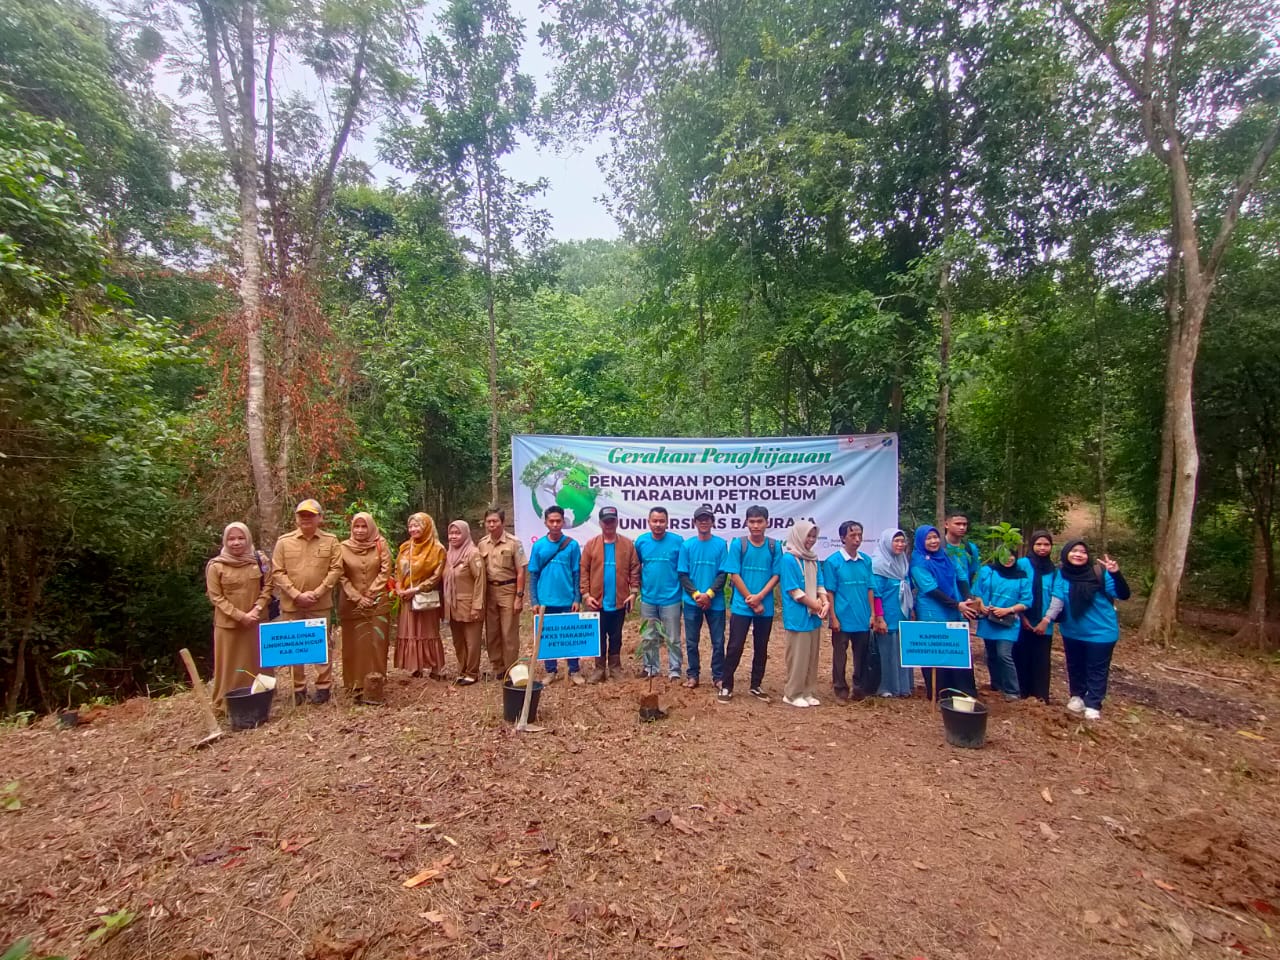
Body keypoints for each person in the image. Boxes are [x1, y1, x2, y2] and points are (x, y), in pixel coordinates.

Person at [1047, 540, 1130, 720]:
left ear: (1088, 556)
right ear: (1066, 553)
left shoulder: (1099, 573)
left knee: (1097, 668)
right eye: (1074, 551)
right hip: (1072, 630)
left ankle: (1093, 703)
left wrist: (1116, 574)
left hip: (1101, 632)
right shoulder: (1062, 574)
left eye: (1082, 552)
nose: (1078, 554)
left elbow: (1123, 594)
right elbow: (1058, 598)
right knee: (1075, 665)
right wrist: (1046, 619)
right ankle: (1077, 696)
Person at [272, 499, 344, 704]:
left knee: (320, 644)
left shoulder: (330, 541)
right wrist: (295, 594)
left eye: (311, 515)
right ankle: (298, 689)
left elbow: (336, 569)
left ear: (320, 518)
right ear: (296, 518)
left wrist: (318, 592)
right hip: (291, 605)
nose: (306, 518)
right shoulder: (284, 542)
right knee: (294, 646)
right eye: (301, 515)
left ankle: (323, 687)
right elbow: (277, 571)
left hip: (319, 604)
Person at [205, 522, 274, 708]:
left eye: (241, 538)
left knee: (258, 663)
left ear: (248, 538)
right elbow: (216, 597)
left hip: (257, 622)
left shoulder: (260, 560)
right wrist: (240, 616)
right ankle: (227, 703)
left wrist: (256, 610)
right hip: (229, 626)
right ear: (225, 541)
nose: (236, 542)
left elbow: (268, 587)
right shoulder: (216, 566)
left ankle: (261, 699)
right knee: (230, 665)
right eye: (232, 538)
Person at [909, 525, 980, 698]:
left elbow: (962, 577)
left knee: (957, 649)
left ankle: (965, 692)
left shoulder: (947, 556)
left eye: (935, 537)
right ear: (920, 541)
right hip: (933, 611)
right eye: (928, 538)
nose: (933, 541)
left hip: (955, 609)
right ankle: (939, 692)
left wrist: (967, 598)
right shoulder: (918, 562)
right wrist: (957, 605)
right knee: (936, 651)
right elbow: (931, 589)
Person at [720, 505, 781, 702]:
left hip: (765, 606)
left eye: (760, 521)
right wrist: (751, 600)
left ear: (767, 523)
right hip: (741, 605)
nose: (756, 525)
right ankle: (726, 685)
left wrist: (760, 597)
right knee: (735, 646)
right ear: (746, 523)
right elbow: (734, 574)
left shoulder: (774, 546)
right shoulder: (739, 544)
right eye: (752, 521)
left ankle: (756, 685)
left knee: (761, 647)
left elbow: (776, 575)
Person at [580, 506, 640, 682]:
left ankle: (615, 667)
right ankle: (599, 669)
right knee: (598, 636)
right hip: (596, 601)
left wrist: (634, 592)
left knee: (616, 636)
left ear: (617, 522)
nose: (609, 524)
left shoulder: (627, 545)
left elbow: (635, 569)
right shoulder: (591, 545)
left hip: (619, 600)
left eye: (612, 521)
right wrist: (586, 595)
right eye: (606, 521)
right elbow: (584, 571)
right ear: (600, 523)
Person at [338, 512, 392, 700]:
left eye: (364, 527)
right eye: (356, 527)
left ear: (371, 528)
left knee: (376, 642)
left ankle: (376, 683)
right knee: (354, 643)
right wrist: (356, 597)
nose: (360, 531)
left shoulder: (380, 544)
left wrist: (371, 593)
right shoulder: (342, 547)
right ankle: (355, 683)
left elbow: (386, 570)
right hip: (351, 603)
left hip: (377, 602)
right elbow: (341, 575)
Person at [528, 505, 583, 683]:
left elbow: (577, 573)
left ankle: (574, 670)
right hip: (545, 600)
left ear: (563, 521)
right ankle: (550, 670)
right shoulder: (539, 546)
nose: (555, 524)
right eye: (551, 521)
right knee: (547, 636)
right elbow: (534, 574)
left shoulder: (572, 545)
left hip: (567, 599)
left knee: (570, 635)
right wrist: (534, 600)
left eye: (558, 521)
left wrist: (577, 598)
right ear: (545, 522)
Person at [824, 521, 877, 701]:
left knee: (861, 654)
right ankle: (840, 688)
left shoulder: (866, 561)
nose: (857, 539)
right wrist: (833, 617)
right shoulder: (833, 562)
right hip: (842, 616)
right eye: (852, 535)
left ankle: (859, 687)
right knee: (840, 655)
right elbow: (829, 591)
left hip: (862, 616)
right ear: (842, 538)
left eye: (859, 535)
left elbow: (870, 588)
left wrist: (873, 614)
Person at [677, 504, 728, 689]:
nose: (704, 522)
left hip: (716, 602)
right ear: (694, 522)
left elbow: (723, 573)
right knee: (691, 641)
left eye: (707, 519)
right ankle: (693, 675)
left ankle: (718, 677)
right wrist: (698, 595)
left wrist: (710, 594)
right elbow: (683, 574)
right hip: (692, 601)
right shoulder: (687, 545)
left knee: (718, 641)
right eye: (700, 519)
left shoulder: (721, 545)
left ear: (713, 522)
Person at [780, 520, 829, 708]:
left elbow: (820, 583)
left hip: (814, 615)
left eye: (813, 536)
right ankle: (792, 693)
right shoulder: (789, 559)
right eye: (807, 535)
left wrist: (825, 602)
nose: (810, 540)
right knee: (798, 655)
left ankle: (808, 691)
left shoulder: (813, 558)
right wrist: (816, 605)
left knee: (811, 654)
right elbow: (794, 591)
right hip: (798, 615)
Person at [971, 550, 1032, 700]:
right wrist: (981, 604)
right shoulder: (987, 571)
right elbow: (976, 592)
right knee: (991, 654)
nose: (1009, 558)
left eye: (1012, 555)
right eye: (1004, 555)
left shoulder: (1022, 576)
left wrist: (1008, 610)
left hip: (1008, 623)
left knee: (1004, 654)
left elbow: (1026, 602)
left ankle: (1012, 691)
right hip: (988, 620)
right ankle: (996, 685)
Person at [394, 512, 447, 680]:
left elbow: (437, 576)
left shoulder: (437, 549)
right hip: (406, 598)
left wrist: (417, 589)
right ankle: (416, 666)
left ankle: (435, 668)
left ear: (426, 527)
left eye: (417, 525)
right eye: (410, 526)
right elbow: (397, 571)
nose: (413, 529)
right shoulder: (405, 547)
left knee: (428, 631)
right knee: (410, 631)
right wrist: (399, 588)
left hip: (426, 597)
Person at [634, 507, 684, 679]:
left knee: (673, 637)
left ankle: (675, 670)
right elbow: (636, 567)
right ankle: (650, 668)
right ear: (648, 522)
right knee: (649, 637)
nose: (658, 524)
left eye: (661, 521)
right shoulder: (641, 542)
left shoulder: (678, 542)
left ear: (667, 522)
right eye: (654, 521)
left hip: (671, 598)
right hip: (648, 598)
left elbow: (683, 569)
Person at [478, 507, 526, 678]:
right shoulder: (482, 543)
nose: (492, 524)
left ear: (502, 523)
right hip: (489, 591)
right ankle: (497, 667)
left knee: (508, 632)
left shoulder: (514, 543)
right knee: (492, 632)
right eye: (489, 521)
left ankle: (511, 668)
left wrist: (519, 597)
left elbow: (521, 571)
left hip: (508, 590)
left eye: (495, 521)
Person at [1014, 530, 1059, 702]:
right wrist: (1023, 618)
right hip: (1021, 620)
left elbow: (1057, 597)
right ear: (1032, 545)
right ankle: (1021, 693)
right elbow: (1016, 590)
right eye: (1038, 544)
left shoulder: (1054, 570)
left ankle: (1040, 696)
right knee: (1021, 656)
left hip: (1044, 623)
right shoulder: (1022, 564)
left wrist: (1045, 621)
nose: (1042, 548)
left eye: (1046, 544)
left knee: (1041, 660)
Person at [870, 528, 914, 697]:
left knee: (902, 650)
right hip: (887, 615)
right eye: (896, 541)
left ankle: (904, 686)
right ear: (887, 543)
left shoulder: (902, 562)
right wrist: (879, 617)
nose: (900, 544)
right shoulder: (879, 564)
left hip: (903, 613)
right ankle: (886, 687)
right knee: (887, 651)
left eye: (902, 541)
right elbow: (876, 593)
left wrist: (912, 610)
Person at [444, 519, 487, 685]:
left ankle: (472, 672)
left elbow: (480, 580)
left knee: (472, 640)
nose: (453, 536)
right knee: (458, 640)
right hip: (453, 606)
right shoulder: (449, 554)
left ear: (466, 534)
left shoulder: (472, 553)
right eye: (451, 533)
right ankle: (461, 670)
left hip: (469, 605)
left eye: (457, 533)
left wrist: (477, 606)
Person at [943, 511, 983, 600]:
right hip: (945, 596)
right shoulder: (939, 547)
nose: (962, 527)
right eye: (957, 524)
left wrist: (974, 595)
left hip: (966, 596)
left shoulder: (970, 548)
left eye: (964, 524)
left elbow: (976, 573)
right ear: (946, 524)